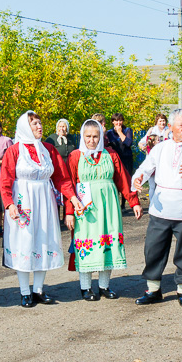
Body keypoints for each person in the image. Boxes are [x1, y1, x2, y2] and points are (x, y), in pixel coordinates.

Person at [131, 108, 182, 307]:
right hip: (161, 208)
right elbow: (145, 168)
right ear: (170, 127)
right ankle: (153, 290)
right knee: (153, 249)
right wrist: (138, 179)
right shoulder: (160, 149)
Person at [0, 111, 82, 307]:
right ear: (24, 128)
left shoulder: (48, 149)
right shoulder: (14, 150)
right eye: (34, 124)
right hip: (23, 201)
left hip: (44, 200)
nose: (39, 126)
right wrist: (9, 204)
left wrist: (72, 197)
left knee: (42, 242)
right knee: (24, 242)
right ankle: (24, 291)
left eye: (40, 123)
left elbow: (62, 178)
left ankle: (38, 289)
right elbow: (5, 180)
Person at [66, 119, 143, 300]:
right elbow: (68, 184)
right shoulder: (76, 156)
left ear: (101, 137)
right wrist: (69, 212)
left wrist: (134, 202)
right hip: (86, 208)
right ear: (82, 137)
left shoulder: (110, 154)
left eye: (95, 136)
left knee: (107, 241)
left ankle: (104, 286)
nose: (92, 140)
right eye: (88, 137)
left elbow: (123, 179)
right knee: (87, 242)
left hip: (108, 206)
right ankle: (85, 287)